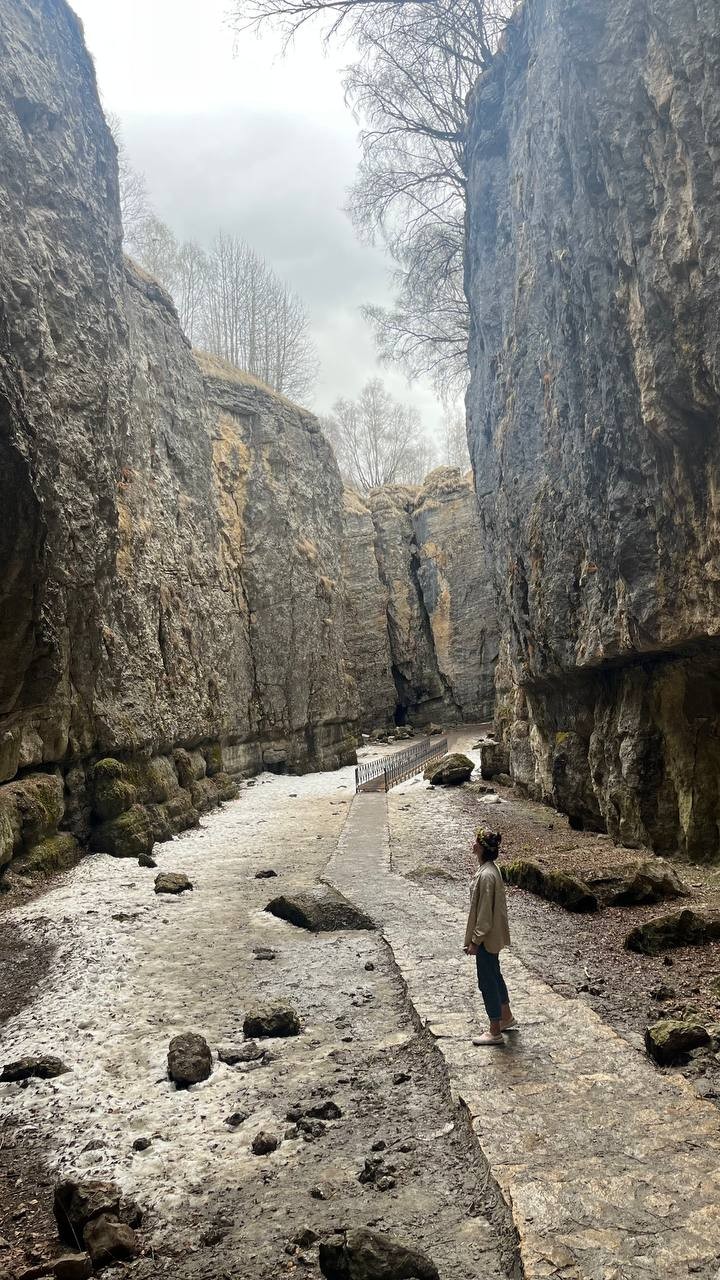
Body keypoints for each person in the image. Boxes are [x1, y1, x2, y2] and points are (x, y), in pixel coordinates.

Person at [464, 828, 517, 1046]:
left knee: (487, 981)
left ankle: (494, 1030)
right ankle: (506, 1016)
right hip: (493, 935)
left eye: (476, 841)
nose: (473, 844)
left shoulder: (486, 875)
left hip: (487, 937)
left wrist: (475, 941)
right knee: (495, 974)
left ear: (482, 848)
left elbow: (484, 914)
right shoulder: (490, 870)